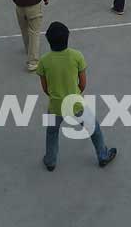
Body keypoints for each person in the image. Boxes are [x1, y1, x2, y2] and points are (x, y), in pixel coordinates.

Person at [37, 21, 117, 171]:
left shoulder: (44, 61)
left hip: (55, 106)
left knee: (52, 133)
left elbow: (45, 88)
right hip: (76, 104)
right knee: (93, 128)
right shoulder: (77, 56)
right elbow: (83, 84)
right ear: (67, 37)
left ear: (48, 40)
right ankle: (103, 155)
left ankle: (50, 161)